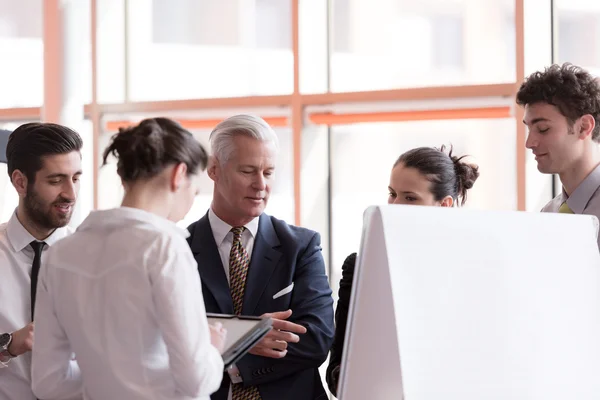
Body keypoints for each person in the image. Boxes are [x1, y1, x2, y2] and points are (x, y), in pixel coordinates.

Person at [31, 118, 226, 400]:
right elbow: (196, 381)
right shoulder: (164, 246)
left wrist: (108, 382)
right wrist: (212, 349)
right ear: (179, 175)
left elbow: (49, 383)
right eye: (194, 189)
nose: (191, 200)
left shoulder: (60, 253)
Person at [186, 114, 334, 400]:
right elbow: (172, 339)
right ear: (214, 169)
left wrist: (231, 356)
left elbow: (317, 339)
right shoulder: (179, 249)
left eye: (268, 172)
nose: (260, 184)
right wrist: (247, 337)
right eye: (247, 171)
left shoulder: (301, 246)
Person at [326, 145, 480, 397]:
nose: (394, 205)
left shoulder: (471, 271)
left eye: (410, 197)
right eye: (392, 194)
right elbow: (336, 369)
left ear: (444, 204)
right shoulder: (360, 266)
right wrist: (363, 376)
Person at [0, 122, 83, 400]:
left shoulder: (93, 259)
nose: (70, 194)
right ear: (20, 182)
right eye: (56, 180)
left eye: (76, 178)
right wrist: (9, 344)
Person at [516, 63, 600, 247]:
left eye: (543, 129)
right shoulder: (549, 214)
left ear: (584, 127)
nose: (529, 143)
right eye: (529, 129)